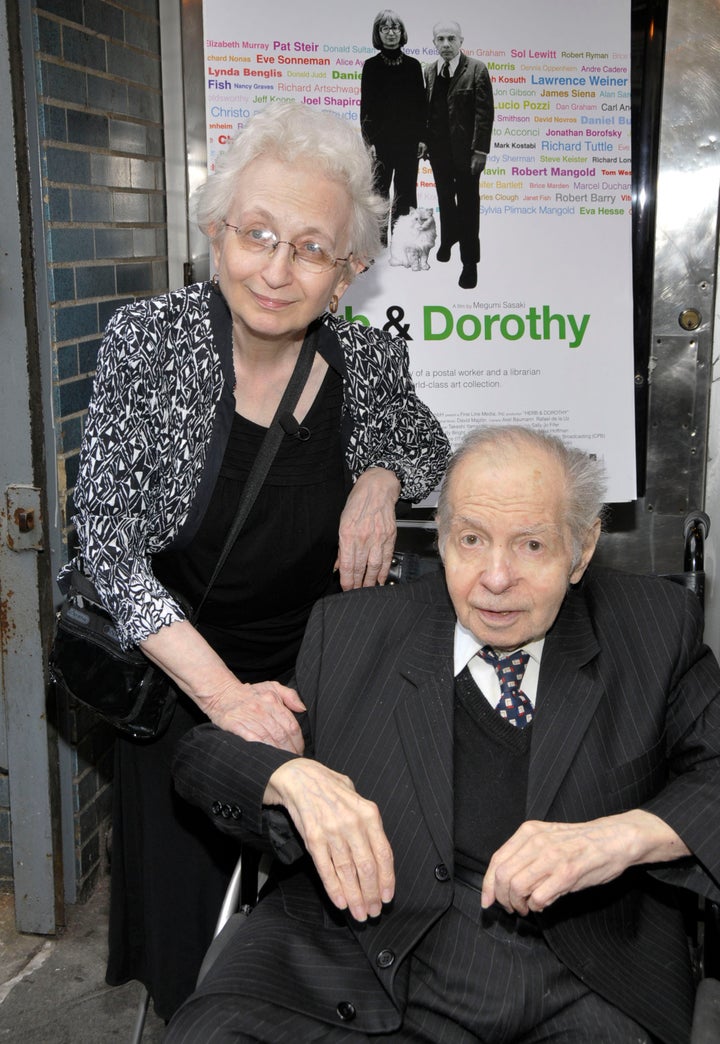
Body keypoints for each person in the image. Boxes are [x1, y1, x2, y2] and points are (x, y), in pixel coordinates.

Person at [59, 102, 450, 1020]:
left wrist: (381, 480)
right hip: (181, 677)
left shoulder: (363, 358)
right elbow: (108, 548)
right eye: (257, 235)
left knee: (317, 919)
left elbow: (426, 443)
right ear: (215, 232)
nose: (277, 271)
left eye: (312, 248)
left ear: (349, 271)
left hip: (320, 679)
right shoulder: (149, 343)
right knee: (194, 931)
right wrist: (225, 698)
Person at [168, 425, 720, 1043]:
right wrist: (288, 778)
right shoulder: (353, 630)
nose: (495, 577)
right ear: (441, 538)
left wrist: (619, 839)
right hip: (359, 957)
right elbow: (203, 759)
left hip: (581, 976)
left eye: (532, 545)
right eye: (471, 540)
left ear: (582, 549)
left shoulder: (652, 629)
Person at [420, 20, 494, 290]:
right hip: (438, 153)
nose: (446, 44)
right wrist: (424, 142)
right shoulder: (429, 71)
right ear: (434, 44)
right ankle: (449, 237)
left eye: (451, 38)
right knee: (444, 201)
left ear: (461, 41)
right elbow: (427, 113)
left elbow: (484, 114)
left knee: (468, 206)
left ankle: (469, 263)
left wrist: (480, 151)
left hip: (466, 154)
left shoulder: (476, 69)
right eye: (440, 39)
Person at [360, 10, 427, 243]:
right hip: (381, 143)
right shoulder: (371, 66)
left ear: (402, 32)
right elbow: (366, 109)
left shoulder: (413, 66)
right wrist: (369, 142)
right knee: (379, 195)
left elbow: (421, 106)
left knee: (406, 193)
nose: (390, 32)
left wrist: (422, 139)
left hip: (409, 142)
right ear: (378, 33)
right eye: (385, 28)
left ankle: (403, 243)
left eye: (395, 28)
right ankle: (377, 246)